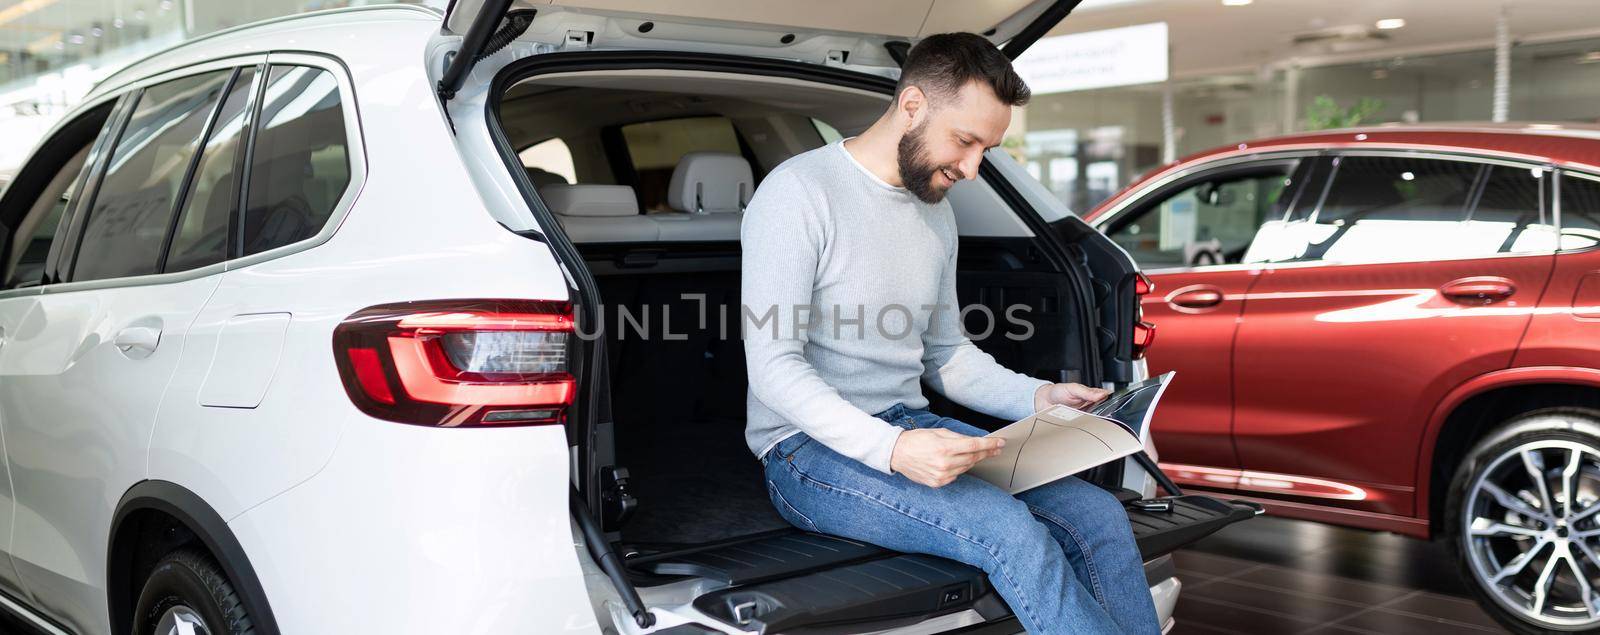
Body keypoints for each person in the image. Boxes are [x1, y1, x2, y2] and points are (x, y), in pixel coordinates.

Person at [740, 32, 1162, 634]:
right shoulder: (798, 194)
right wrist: (892, 450)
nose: (971, 168)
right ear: (912, 106)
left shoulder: (934, 211)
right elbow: (773, 367)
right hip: (806, 451)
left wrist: (1040, 397)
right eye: (965, 141)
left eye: (986, 149)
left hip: (911, 425)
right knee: (1009, 531)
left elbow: (947, 355)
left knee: (1097, 516)